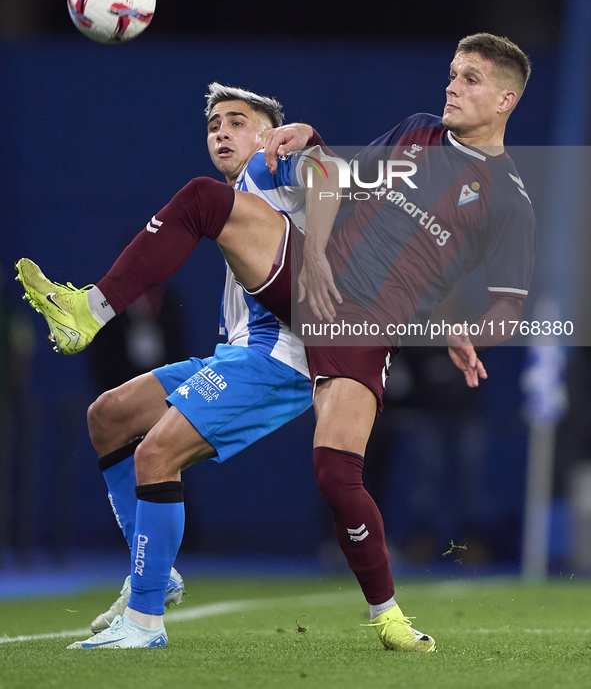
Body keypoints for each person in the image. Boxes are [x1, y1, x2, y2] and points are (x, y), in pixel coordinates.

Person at [17, 33, 535, 653]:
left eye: (471, 79)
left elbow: (509, 303)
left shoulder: (510, 199)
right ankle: (88, 310)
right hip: (315, 279)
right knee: (204, 202)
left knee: (335, 473)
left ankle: (388, 614)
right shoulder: (418, 130)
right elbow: (340, 177)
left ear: (506, 99)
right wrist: (312, 137)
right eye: (453, 74)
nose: (452, 86)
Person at [19, 83, 318, 647]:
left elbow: (324, 180)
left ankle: (145, 621)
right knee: (108, 415)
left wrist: (306, 139)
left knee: (157, 453)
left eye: (237, 121)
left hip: (282, 359)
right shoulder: (242, 197)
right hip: (240, 353)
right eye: (214, 125)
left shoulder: (278, 172)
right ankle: (153, 573)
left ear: (266, 132)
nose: (222, 132)